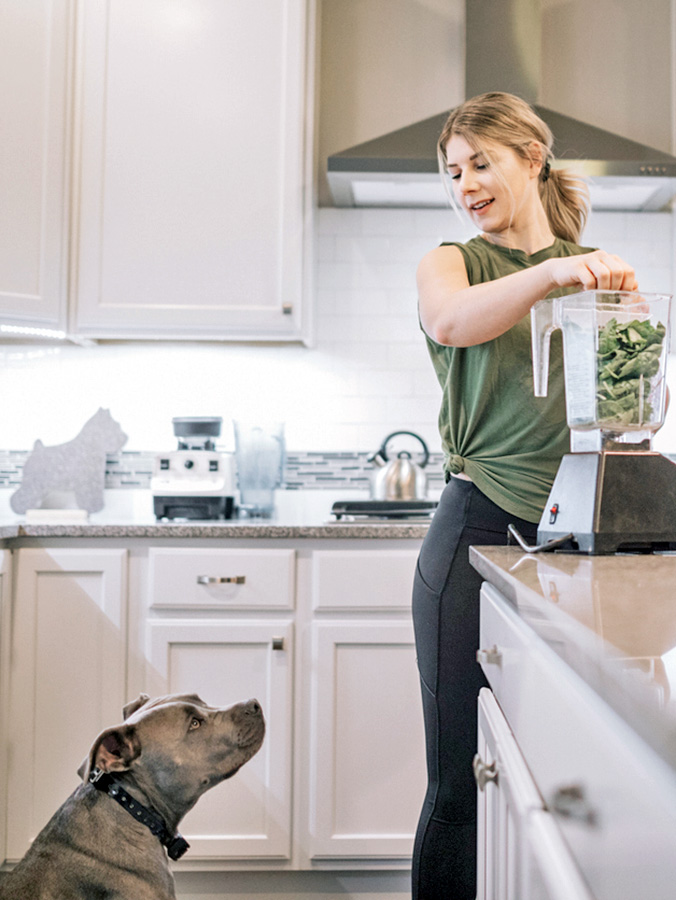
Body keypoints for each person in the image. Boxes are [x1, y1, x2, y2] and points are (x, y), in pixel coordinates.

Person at [411, 91, 638, 900]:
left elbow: (625, 413)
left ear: (531, 158)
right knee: (458, 787)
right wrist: (555, 271)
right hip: (477, 534)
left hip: (575, 544)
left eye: (480, 163)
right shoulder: (455, 261)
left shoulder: (593, 272)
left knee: (554, 782)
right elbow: (450, 322)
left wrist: (634, 341)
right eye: (453, 171)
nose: (464, 183)